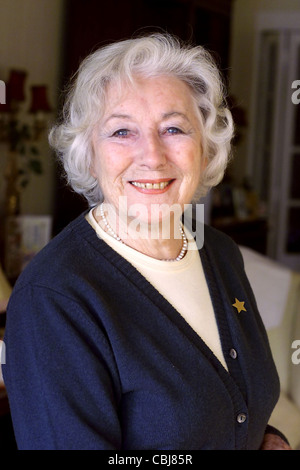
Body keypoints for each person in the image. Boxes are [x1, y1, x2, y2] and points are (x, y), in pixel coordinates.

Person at [2, 33, 291, 450]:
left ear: (206, 149)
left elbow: (239, 410)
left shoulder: (221, 253)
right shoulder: (53, 298)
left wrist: (270, 440)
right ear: (89, 154)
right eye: (122, 132)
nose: (152, 156)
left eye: (174, 128)